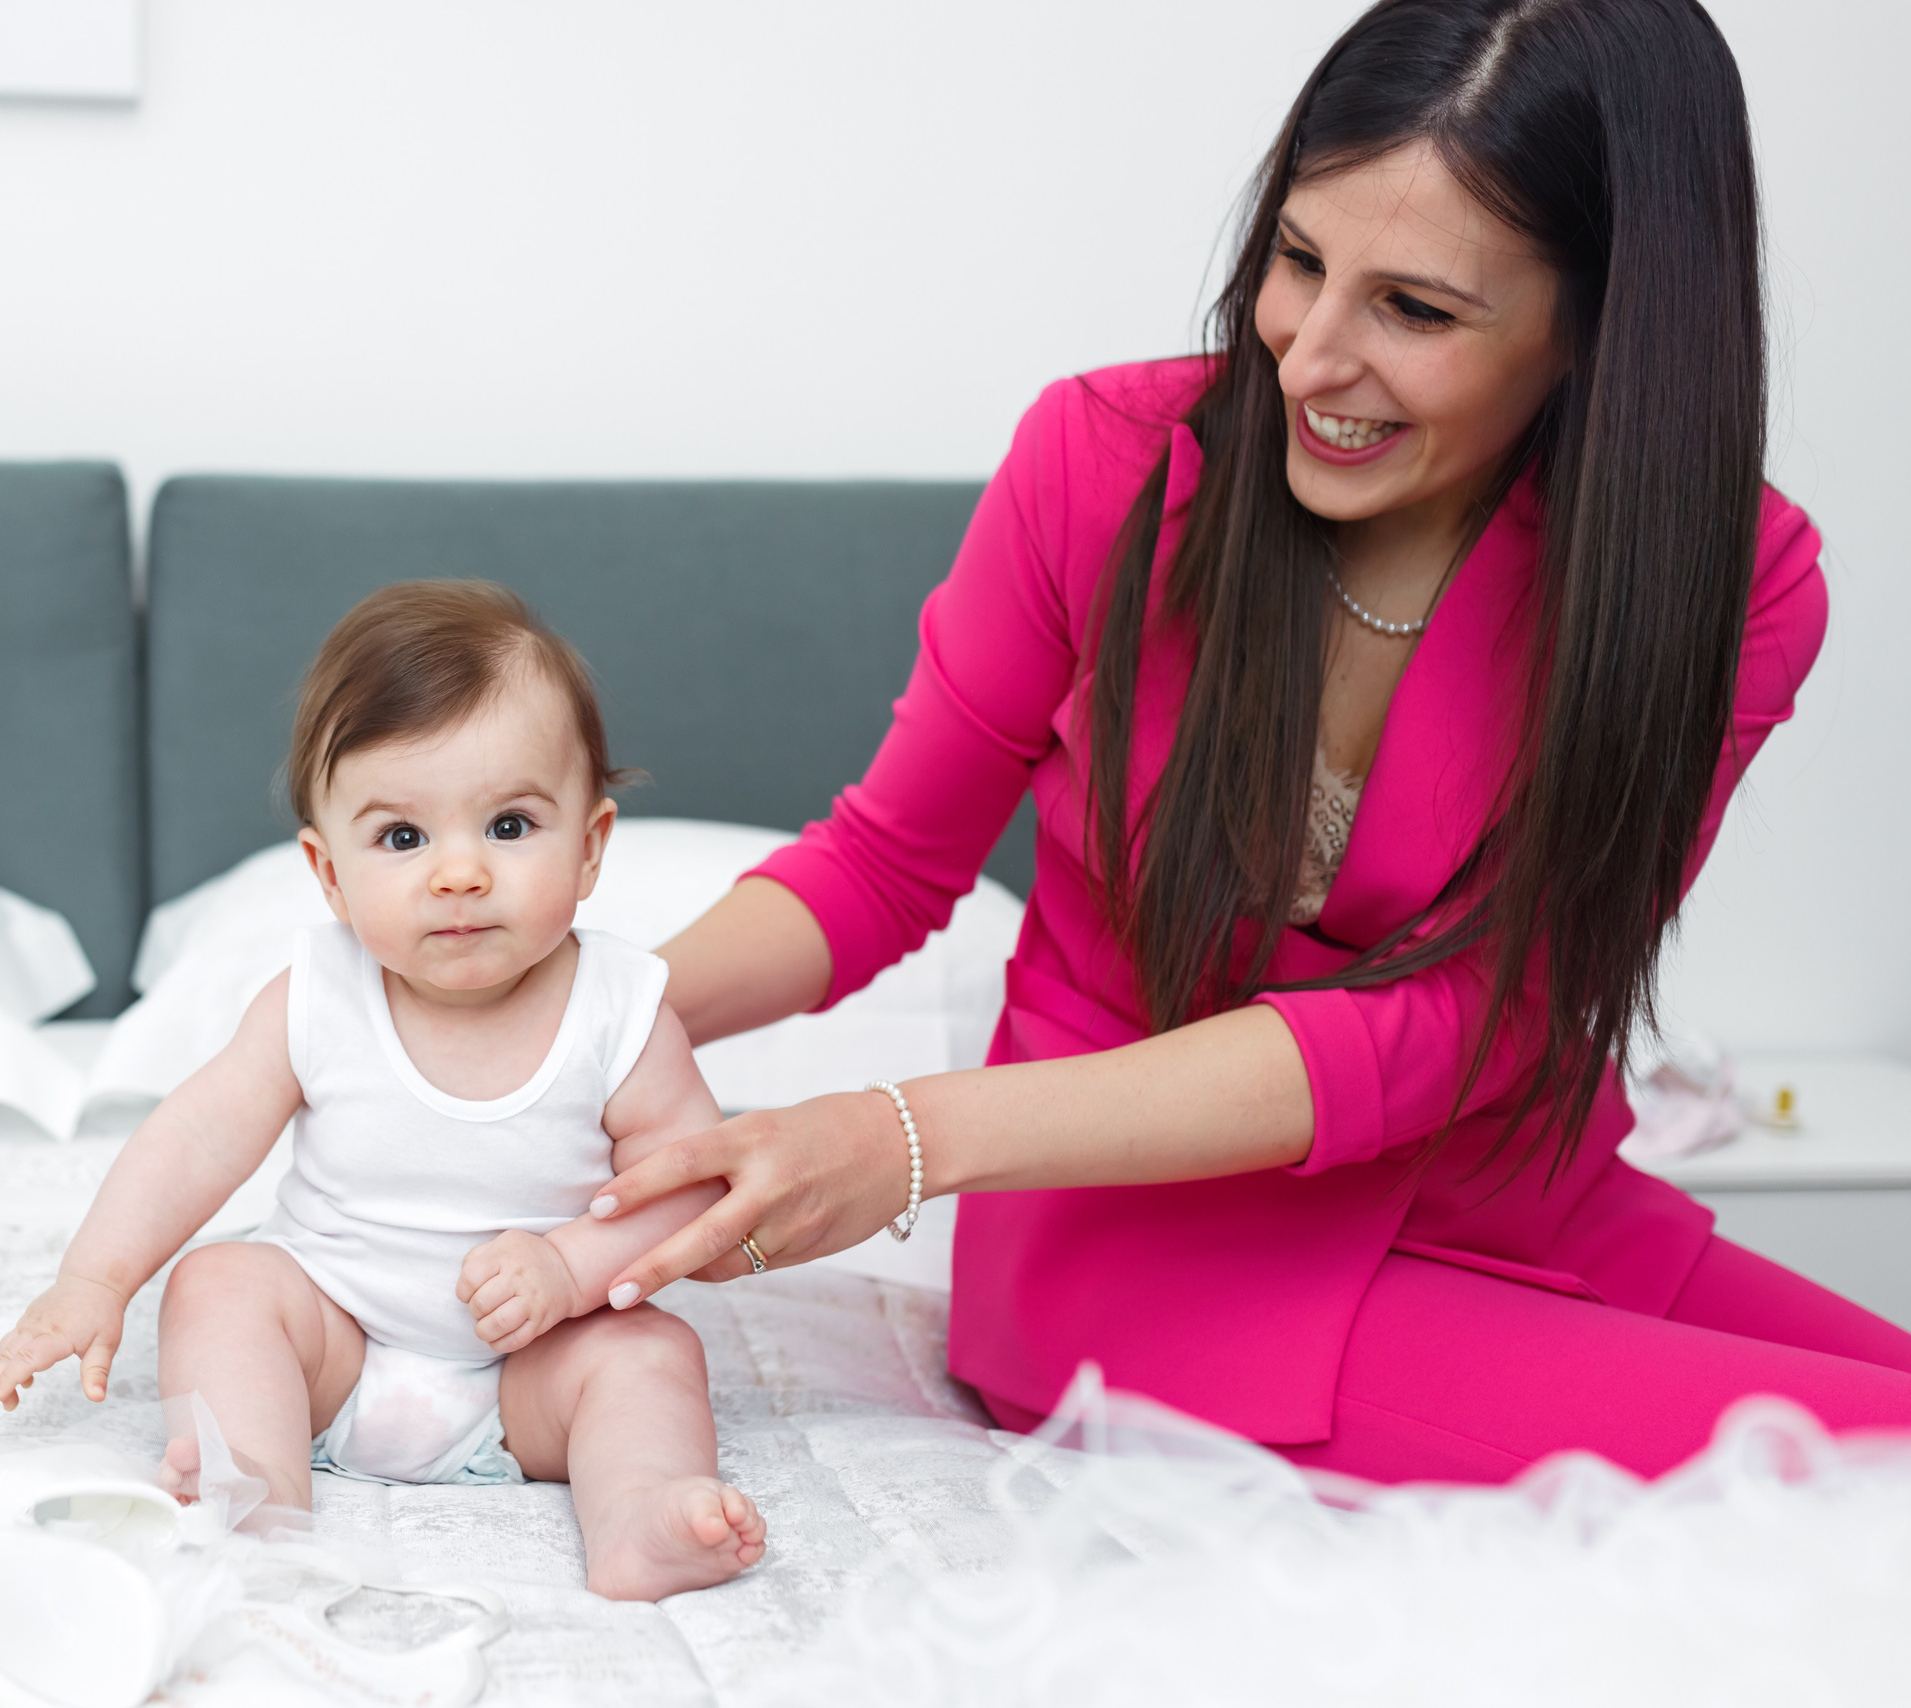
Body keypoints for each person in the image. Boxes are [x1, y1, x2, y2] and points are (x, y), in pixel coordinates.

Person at [585, 0, 1911, 1482]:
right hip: (1139, 1237)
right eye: (1297, 259)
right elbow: (883, 865)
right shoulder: (1102, 465)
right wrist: (571, 1026)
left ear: (1600, 329)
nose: (1307, 357)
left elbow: (1479, 1016)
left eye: (1415, 311)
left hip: (1499, 1199)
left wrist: (899, 1133)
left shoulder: (1728, 586)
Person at [0, 580, 767, 1600]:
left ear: (590, 845)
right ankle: (257, 1491)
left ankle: (640, 1512)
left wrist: (569, 1269)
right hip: (333, 1351)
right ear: (329, 872)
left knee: (650, 1352)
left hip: (535, 1370)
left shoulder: (622, 1009)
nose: (459, 873)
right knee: (220, 1284)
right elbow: (198, 1137)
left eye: (510, 825)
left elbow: (688, 1186)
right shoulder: (316, 995)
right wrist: (95, 1278)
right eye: (402, 838)